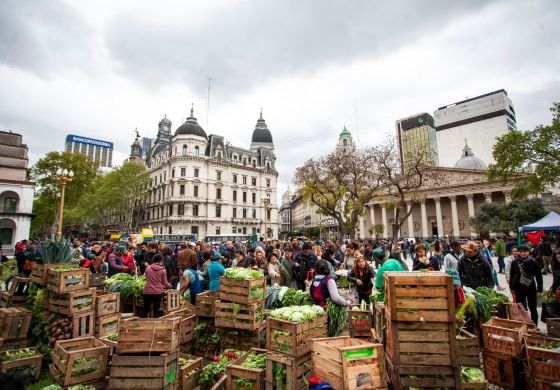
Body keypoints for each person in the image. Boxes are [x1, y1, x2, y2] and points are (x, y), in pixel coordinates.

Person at [509, 245, 543, 324]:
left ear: (528, 252)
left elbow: (539, 277)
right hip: (518, 287)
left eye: (525, 252)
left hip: (530, 287)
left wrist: (540, 290)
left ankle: (534, 325)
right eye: (520, 252)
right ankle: (523, 325)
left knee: (533, 308)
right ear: (518, 252)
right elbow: (512, 275)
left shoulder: (534, 262)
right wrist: (511, 287)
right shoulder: (515, 262)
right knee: (521, 307)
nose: (523, 253)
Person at [143, 254, 172, 318]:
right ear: (161, 260)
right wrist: (170, 286)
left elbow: (146, 278)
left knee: (146, 308)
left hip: (147, 291)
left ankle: (143, 324)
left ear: (153, 260)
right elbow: (165, 283)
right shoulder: (163, 270)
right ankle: (156, 324)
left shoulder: (148, 268)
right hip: (158, 292)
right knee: (156, 309)